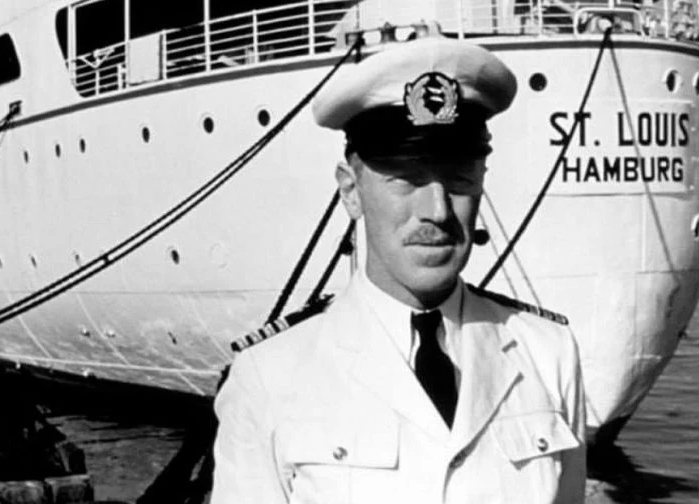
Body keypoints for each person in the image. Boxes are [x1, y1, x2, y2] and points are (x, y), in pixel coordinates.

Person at [211, 37, 586, 503]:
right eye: (406, 178)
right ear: (351, 191)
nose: (437, 210)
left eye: (458, 177)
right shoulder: (269, 377)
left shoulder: (548, 354)